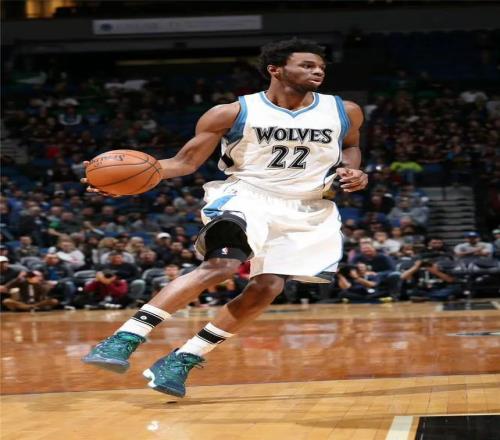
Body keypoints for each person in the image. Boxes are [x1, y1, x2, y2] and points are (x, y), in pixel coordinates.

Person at [82, 38, 368, 398]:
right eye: (307, 65)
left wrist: (353, 171)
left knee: (268, 287)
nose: (318, 71)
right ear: (275, 70)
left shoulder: (345, 110)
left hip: (308, 207)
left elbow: (351, 146)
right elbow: (184, 162)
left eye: (321, 67)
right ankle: (125, 337)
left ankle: (184, 358)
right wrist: (122, 183)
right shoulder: (231, 112)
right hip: (249, 196)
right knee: (221, 265)